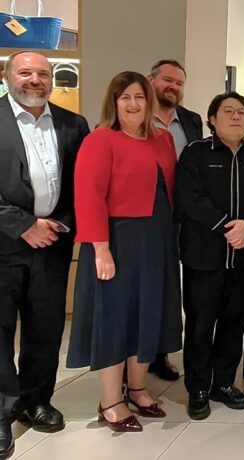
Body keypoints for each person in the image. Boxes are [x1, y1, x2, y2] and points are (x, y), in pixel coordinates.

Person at [67, 71, 182, 433]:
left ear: (149, 102)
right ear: (114, 102)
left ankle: (137, 388)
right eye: (125, 97)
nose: (133, 104)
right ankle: (110, 401)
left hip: (156, 240)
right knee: (115, 317)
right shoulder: (100, 140)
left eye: (139, 97)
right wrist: (101, 249)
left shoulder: (162, 139)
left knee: (148, 313)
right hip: (116, 241)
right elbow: (89, 196)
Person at [0, 50, 89, 455]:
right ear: (8, 76)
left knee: (46, 326)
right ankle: (2, 412)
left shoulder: (73, 124)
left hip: (53, 243)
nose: (34, 80)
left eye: (42, 73)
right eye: (25, 72)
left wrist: (61, 223)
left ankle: (35, 400)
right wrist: (23, 225)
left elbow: (82, 184)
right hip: (4, 244)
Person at [175, 92, 244, 420]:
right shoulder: (195, 153)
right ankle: (198, 388)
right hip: (204, 256)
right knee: (200, 325)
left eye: (241, 112)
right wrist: (226, 226)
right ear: (212, 120)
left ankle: (224, 383)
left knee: (235, 323)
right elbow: (190, 198)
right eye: (227, 111)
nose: (235, 116)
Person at [144, 58, 203, 382]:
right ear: (151, 79)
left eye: (179, 83)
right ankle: (139, 354)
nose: (173, 87)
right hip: (147, 217)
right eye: (168, 80)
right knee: (148, 286)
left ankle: (161, 352)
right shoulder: (136, 116)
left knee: (172, 290)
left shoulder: (191, 121)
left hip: (184, 217)